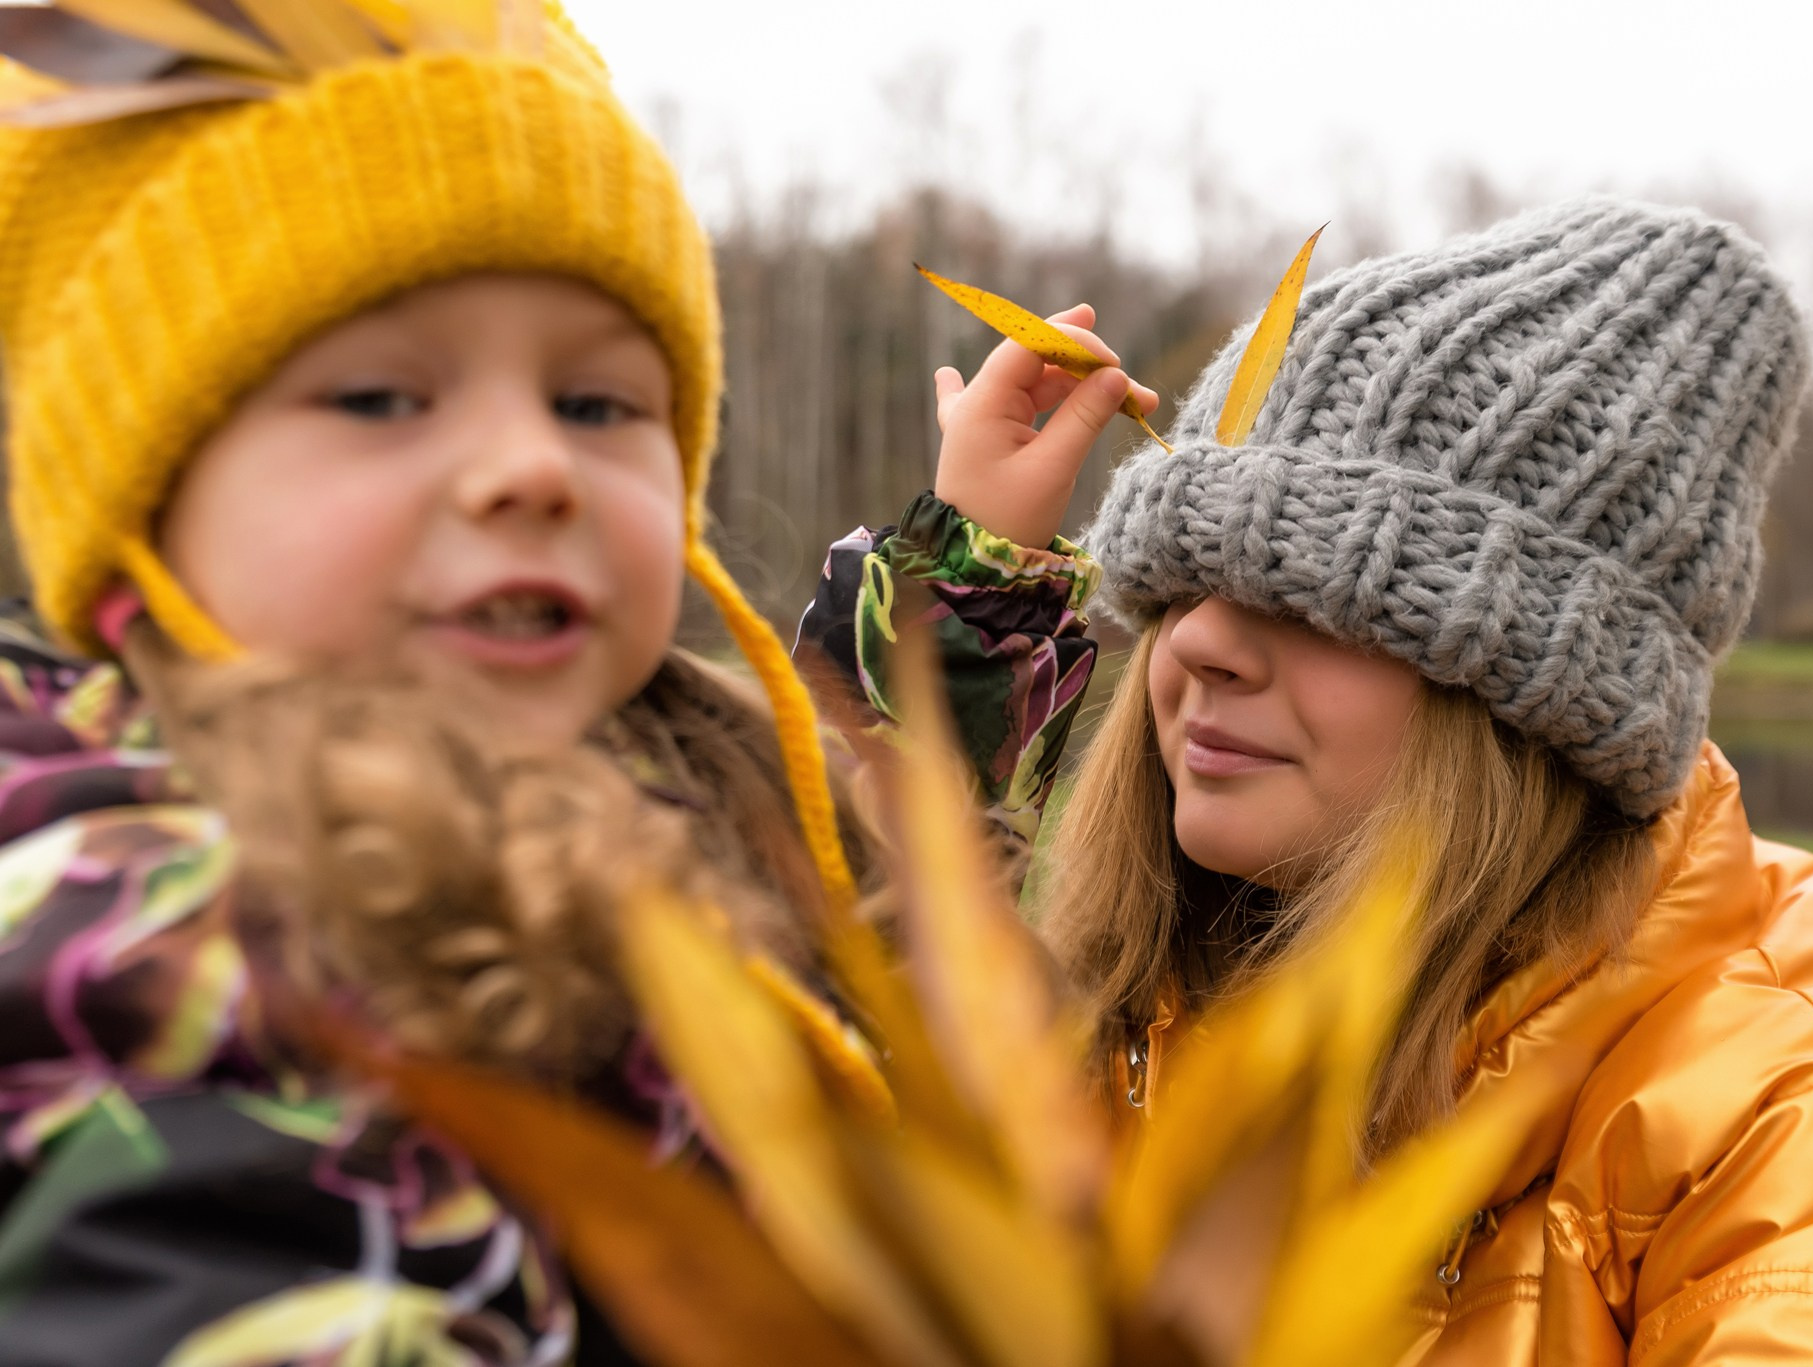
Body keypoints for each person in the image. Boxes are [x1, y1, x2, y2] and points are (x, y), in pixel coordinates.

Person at [0, 4, 1133, 1361]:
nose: (531, 466)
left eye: (597, 405)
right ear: (139, 501)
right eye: (379, 398)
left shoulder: (652, 773)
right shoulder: (146, 940)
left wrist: (975, 559)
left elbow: (859, 843)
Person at [924, 198, 1813, 1363]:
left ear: (1528, 698)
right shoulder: (1147, 998)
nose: (1200, 641)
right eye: (1178, 583)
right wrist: (941, 662)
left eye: (1311, 598)